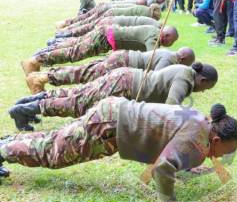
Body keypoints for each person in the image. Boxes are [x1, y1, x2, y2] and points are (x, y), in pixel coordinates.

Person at [0, 100, 237, 202]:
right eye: (225, 152)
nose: (222, 156)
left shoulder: (201, 122)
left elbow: (168, 140)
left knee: (58, 140)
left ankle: (7, 143)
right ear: (216, 140)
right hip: (109, 128)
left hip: (113, 114)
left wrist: (184, 168)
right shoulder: (197, 139)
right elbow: (163, 166)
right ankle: (4, 150)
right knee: (52, 154)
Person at [10, 61, 219, 130]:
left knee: (78, 95)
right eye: (207, 88)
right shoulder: (186, 79)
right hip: (125, 85)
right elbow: (171, 107)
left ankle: (30, 102)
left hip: (124, 78)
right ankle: (26, 109)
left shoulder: (184, 71)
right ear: (203, 80)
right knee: (78, 104)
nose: (204, 91)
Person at [26, 47, 196, 93]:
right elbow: (155, 80)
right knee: (83, 74)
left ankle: (42, 77)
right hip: (122, 63)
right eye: (185, 64)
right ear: (182, 59)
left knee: (85, 72)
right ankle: (42, 77)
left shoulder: (169, 55)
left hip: (122, 59)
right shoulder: (168, 59)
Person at [21, 25, 179, 74]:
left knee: (74, 49)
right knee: (74, 53)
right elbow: (152, 58)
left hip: (107, 34)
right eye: (171, 41)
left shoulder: (154, 30)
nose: (170, 45)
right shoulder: (154, 38)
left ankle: (38, 58)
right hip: (106, 39)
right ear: (165, 36)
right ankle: (35, 61)